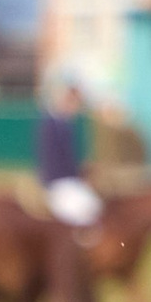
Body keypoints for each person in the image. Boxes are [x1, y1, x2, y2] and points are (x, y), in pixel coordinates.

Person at [35, 72, 103, 231]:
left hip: (68, 181)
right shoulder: (51, 124)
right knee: (85, 210)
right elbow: (54, 160)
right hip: (59, 183)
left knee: (94, 207)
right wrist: (78, 175)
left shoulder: (65, 124)